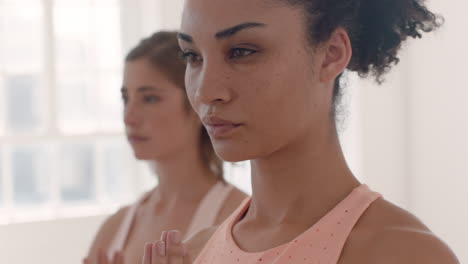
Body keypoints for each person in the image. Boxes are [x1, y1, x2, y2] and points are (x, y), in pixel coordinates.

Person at [141, 0, 461, 264]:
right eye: (192, 56)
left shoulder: (405, 255)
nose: (206, 90)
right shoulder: (196, 251)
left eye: (242, 51)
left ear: (331, 54)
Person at [83, 31, 248, 264]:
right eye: (125, 99)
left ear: (195, 102)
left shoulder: (239, 218)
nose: (129, 117)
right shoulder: (115, 227)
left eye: (149, 99)